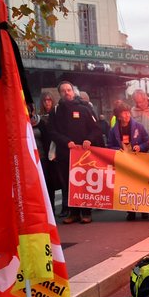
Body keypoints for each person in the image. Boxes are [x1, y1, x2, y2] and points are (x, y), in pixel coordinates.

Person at [46, 80, 105, 224]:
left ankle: (86, 213)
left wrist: (89, 140)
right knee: (68, 184)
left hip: (83, 154)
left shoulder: (84, 108)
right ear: (59, 93)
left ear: (73, 91)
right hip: (65, 153)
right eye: (63, 91)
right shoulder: (55, 111)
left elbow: (96, 129)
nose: (66, 93)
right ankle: (73, 213)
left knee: (84, 183)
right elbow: (51, 132)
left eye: (69, 90)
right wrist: (65, 142)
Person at [108, 102, 149, 221]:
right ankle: (131, 210)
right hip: (124, 162)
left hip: (138, 160)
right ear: (119, 116)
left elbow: (148, 142)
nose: (127, 115)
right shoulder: (113, 130)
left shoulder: (139, 127)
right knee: (127, 186)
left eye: (128, 112)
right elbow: (109, 145)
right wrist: (119, 150)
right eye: (124, 113)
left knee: (141, 185)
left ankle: (144, 209)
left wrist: (140, 147)